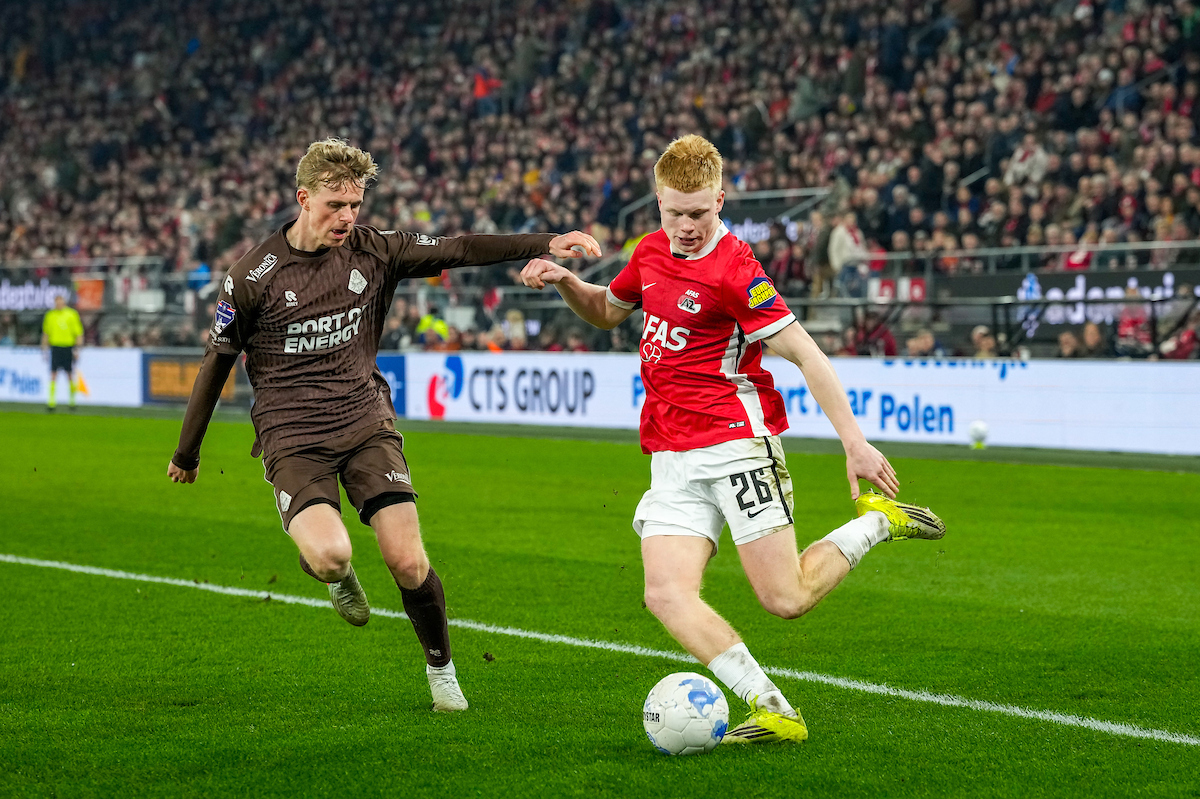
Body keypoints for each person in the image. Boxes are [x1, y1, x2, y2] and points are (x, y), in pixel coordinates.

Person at [519, 135, 945, 745]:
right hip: (670, 455)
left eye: (699, 212)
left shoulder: (736, 269)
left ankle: (878, 523)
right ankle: (773, 708)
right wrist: (566, 280)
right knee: (666, 594)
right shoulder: (650, 251)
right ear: (658, 204)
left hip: (735, 446)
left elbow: (806, 354)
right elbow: (608, 311)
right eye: (675, 213)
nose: (687, 227)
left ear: (720, 200)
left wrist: (854, 442)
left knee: (786, 599)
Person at [167, 138, 601, 712]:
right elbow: (217, 361)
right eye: (335, 205)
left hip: (364, 420)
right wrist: (188, 452)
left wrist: (545, 242)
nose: (347, 216)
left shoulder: (375, 250)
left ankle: (442, 671)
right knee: (331, 555)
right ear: (303, 198)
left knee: (407, 560)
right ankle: (336, 573)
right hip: (292, 434)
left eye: (355, 204)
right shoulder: (253, 276)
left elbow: (462, 247)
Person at [41, 294, 84, 412]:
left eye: (61, 302)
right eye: (57, 302)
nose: (59, 304)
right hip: (55, 347)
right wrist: (44, 348)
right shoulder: (50, 315)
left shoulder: (72, 314)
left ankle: (72, 402)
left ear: (64, 302)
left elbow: (78, 333)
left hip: (68, 347)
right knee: (53, 374)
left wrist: (77, 348)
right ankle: (51, 402)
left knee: (69, 374)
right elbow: (46, 333)